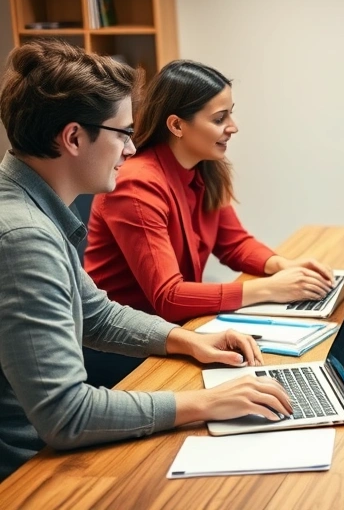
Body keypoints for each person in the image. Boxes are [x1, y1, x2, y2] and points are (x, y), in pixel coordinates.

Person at [0, 40, 292, 481]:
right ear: (74, 138)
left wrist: (185, 340)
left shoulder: (30, 209)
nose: (131, 150)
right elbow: (67, 415)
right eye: (123, 134)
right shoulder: (24, 237)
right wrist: (207, 403)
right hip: (29, 469)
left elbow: (94, 314)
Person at [83, 60, 334, 386]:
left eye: (230, 112)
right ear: (176, 125)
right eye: (219, 119)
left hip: (179, 332)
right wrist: (268, 289)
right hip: (127, 350)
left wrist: (282, 266)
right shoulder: (137, 184)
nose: (234, 126)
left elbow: (234, 243)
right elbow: (168, 298)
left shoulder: (203, 166)